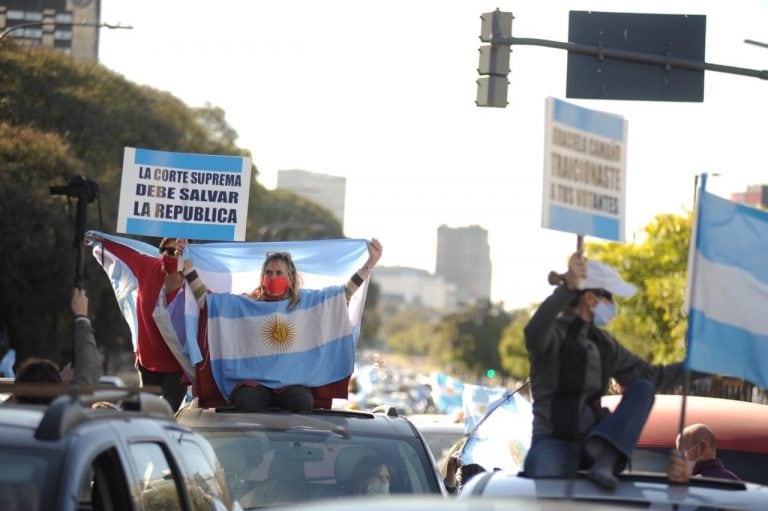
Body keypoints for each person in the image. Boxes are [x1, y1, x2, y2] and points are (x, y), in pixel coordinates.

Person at [523, 251, 695, 489]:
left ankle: (607, 459)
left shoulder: (604, 343)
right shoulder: (553, 336)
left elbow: (653, 377)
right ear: (590, 298)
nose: (614, 305)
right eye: (610, 298)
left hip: (594, 447)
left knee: (644, 387)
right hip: (552, 445)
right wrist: (567, 289)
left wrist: (700, 366)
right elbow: (534, 331)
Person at [183, 238, 382, 412]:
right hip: (253, 382)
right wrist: (188, 267)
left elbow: (343, 295)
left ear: (291, 277)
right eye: (268, 273)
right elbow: (207, 303)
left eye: (279, 272)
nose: (273, 277)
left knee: (301, 402)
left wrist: (370, 264)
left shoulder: (308, 303)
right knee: (248, 402)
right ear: (262, 277)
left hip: (292, 383)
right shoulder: (246, 304)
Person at [87, 233, 187, 411]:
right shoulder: (148, 266)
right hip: (148, 361)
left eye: (175, 251)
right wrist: (100, 238)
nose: (169, 255)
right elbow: (125, 252)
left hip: (178, 364)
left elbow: (211, 300)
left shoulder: (193, 279)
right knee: (144, 413)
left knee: (165, 414)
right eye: (165, 250)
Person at [668, 423, 740, 482]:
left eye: (682, 452)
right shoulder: (734, 481)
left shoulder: (697, 483)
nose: (680, 458)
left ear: (701, 448)